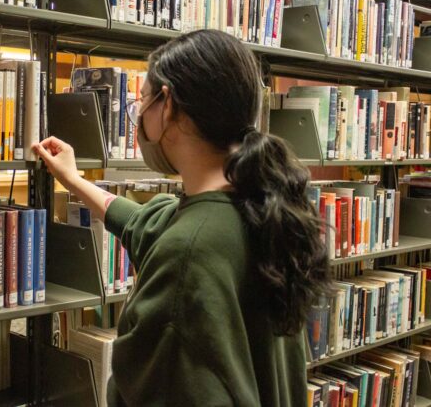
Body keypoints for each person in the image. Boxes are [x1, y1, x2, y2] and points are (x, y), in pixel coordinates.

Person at [33, 29, 330, 406]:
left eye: (141, 101)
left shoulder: (187, 257)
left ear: (167, 104)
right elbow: (145, 223)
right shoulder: (257, 205)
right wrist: (74, 180)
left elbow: (180, 248)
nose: (138, 116)